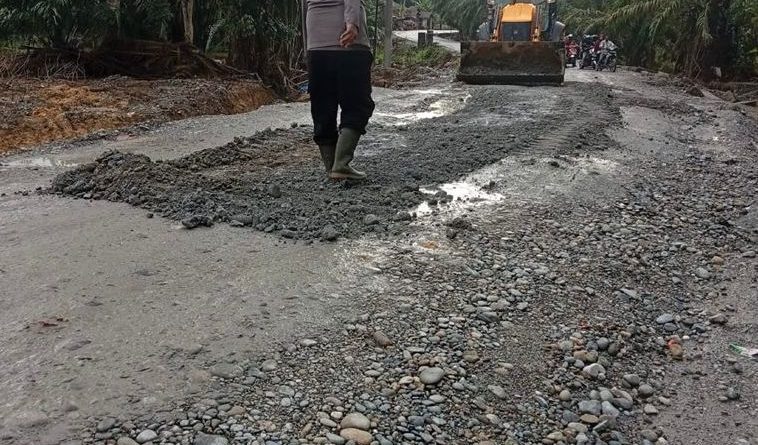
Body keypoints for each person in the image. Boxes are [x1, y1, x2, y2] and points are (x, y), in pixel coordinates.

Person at [303, 0, 375, 180]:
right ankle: (341, 164)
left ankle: (331, 167)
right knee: (357, 105)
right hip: (348, 43)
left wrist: (310, 47)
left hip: (316, 44)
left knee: (322, 107)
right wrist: (352, 22)